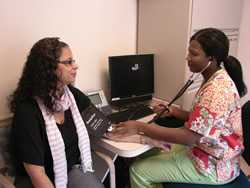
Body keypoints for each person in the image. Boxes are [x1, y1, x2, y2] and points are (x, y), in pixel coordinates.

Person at [109, 28, 247, 188]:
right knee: (152, 150)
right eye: (189, 52)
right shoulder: (215, 77)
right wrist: (174, 111)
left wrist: (140, 127)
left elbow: (189, 137)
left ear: (211, 58)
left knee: (138, 171)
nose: (187, 58)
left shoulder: (216, 91)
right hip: (210, 152)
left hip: (214, 165)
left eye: (194, 54)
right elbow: (206, 121)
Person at [9, 37, 104, 188]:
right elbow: (37, 174)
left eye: (73, 61)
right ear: (48, 68)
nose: (75, 66)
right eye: (68, 62)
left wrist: (139, 132)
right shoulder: (27, 111)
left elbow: (101, 125)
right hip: (37, 180)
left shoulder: (72, 95)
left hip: (69, 171)